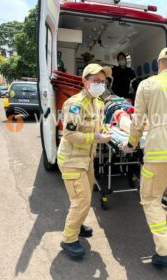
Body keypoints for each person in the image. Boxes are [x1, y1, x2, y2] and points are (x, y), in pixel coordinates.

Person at [122, 47, 167, 269]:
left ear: (158, 64)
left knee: (150, 198)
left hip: (159, 152)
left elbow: (138, 120)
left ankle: (164, 251)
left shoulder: (148, 85)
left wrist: (131, 144)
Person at [57, 63, 113, 258]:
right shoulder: (75, 104)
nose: (100, 84)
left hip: (87, 159)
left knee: (85, 197)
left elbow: (98, 126)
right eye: (95, 81)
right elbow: (70, 135)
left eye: (103, 81)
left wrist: (103, 131)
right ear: (84, 80)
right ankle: (68, 239)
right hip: (72, 160)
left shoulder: (98, 103)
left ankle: (78, 224)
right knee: (81, 200)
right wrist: (96, 138)